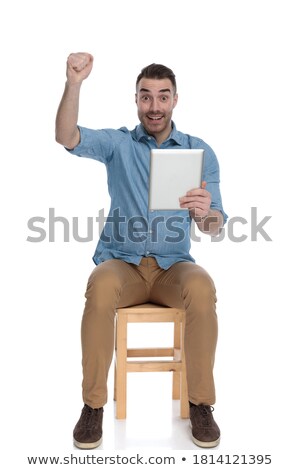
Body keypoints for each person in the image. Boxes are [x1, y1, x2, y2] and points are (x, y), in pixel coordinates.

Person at [55, 52, 228, 450]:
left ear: (175, 100)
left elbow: (215, 224)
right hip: (123, 265)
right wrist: (74, 83)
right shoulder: (118, 144)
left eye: (162, 97)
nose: (154, 106)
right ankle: (92, 406)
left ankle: (201, 403)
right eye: (146, 97)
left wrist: (206, 215)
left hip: (173, 269)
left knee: (202, 288)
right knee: (99, 286)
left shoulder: (200, 153)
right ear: (136, 101)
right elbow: (66, 137)